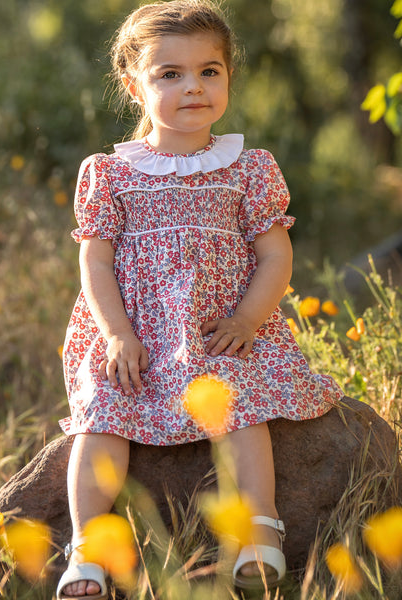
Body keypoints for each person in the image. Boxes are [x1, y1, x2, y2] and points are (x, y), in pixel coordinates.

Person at [56, 1, 344, 597]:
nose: (194, 87)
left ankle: (256, 528)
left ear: (228, 78)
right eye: (170, 74)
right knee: (102, 415)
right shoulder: (110, 174)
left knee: (240, 405)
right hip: (135, 334)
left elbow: (274, 255)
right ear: (133, 84)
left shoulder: (249, 169)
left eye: (209, 71)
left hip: (219, 328)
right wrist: (115, 333)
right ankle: (86, 547)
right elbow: (96, 260)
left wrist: (247, 318)